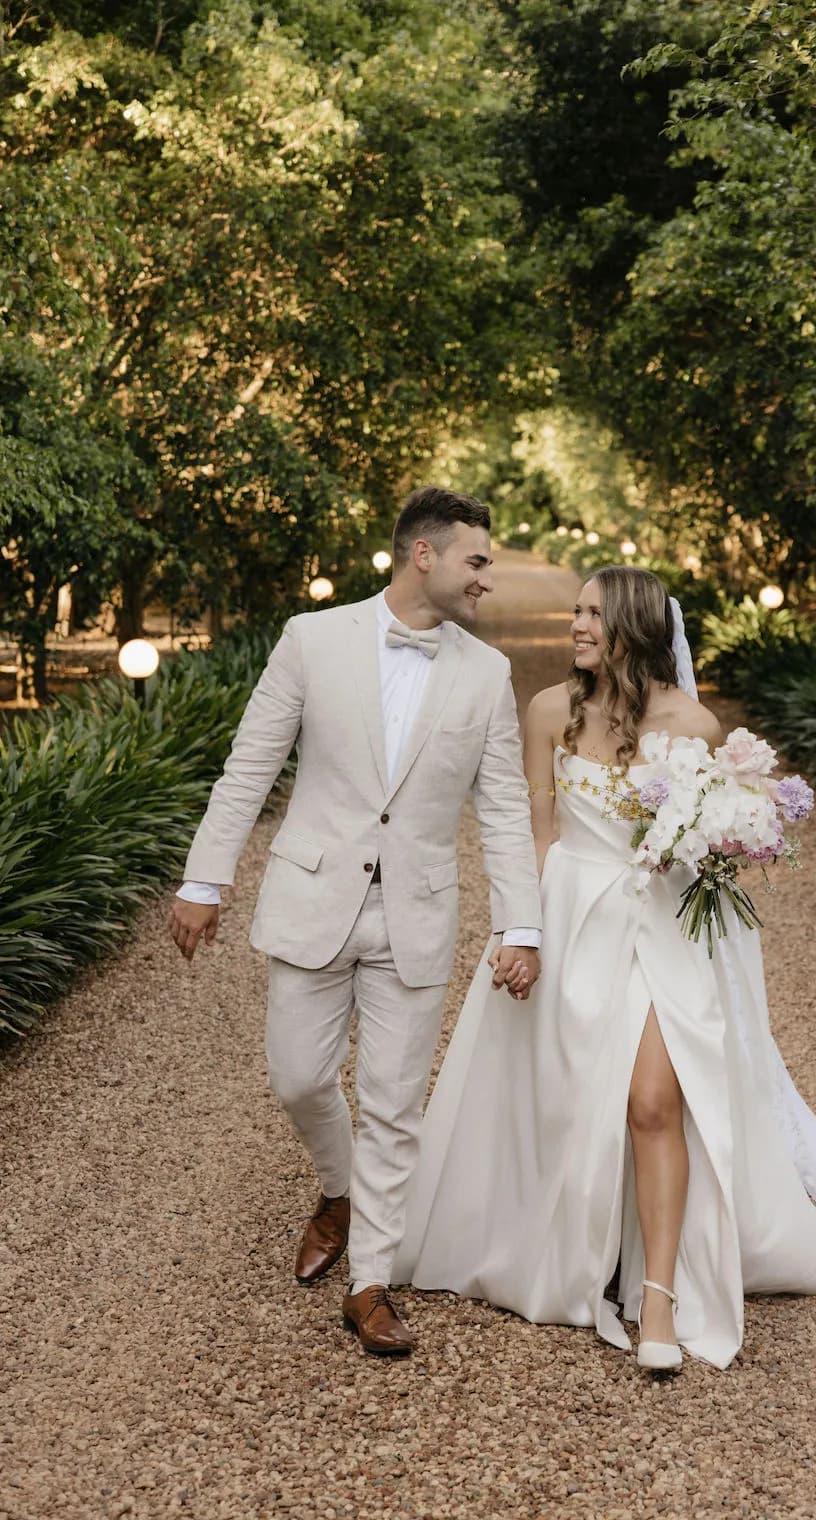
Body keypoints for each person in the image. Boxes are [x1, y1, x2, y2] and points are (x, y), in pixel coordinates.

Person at [394, 565, 816, 1372]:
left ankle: (659, 1295)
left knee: (655, 1100)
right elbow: (536, 832)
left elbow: (706, 841)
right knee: (568, 1096)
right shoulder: (549, 710)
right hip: (572, 915)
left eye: (593, 613)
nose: (576, 625)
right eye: (576, 611)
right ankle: (577, 1250)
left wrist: (718, 837)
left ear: (633, 625)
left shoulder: (691, 724)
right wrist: (526, 932)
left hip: (662, 926)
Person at [168, 486, 543, 1357]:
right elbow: (249, 765)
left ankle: (369, 1280)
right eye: (477, 560)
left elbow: (504, 810)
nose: (487, 578)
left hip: (417, 913)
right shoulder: (313, 640)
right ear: (426, 555)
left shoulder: (485, 674)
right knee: (299, 1079)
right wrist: (204, 879)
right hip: (312, 901)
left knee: (393, 1104)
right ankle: (338, 1189)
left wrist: (519, 925)